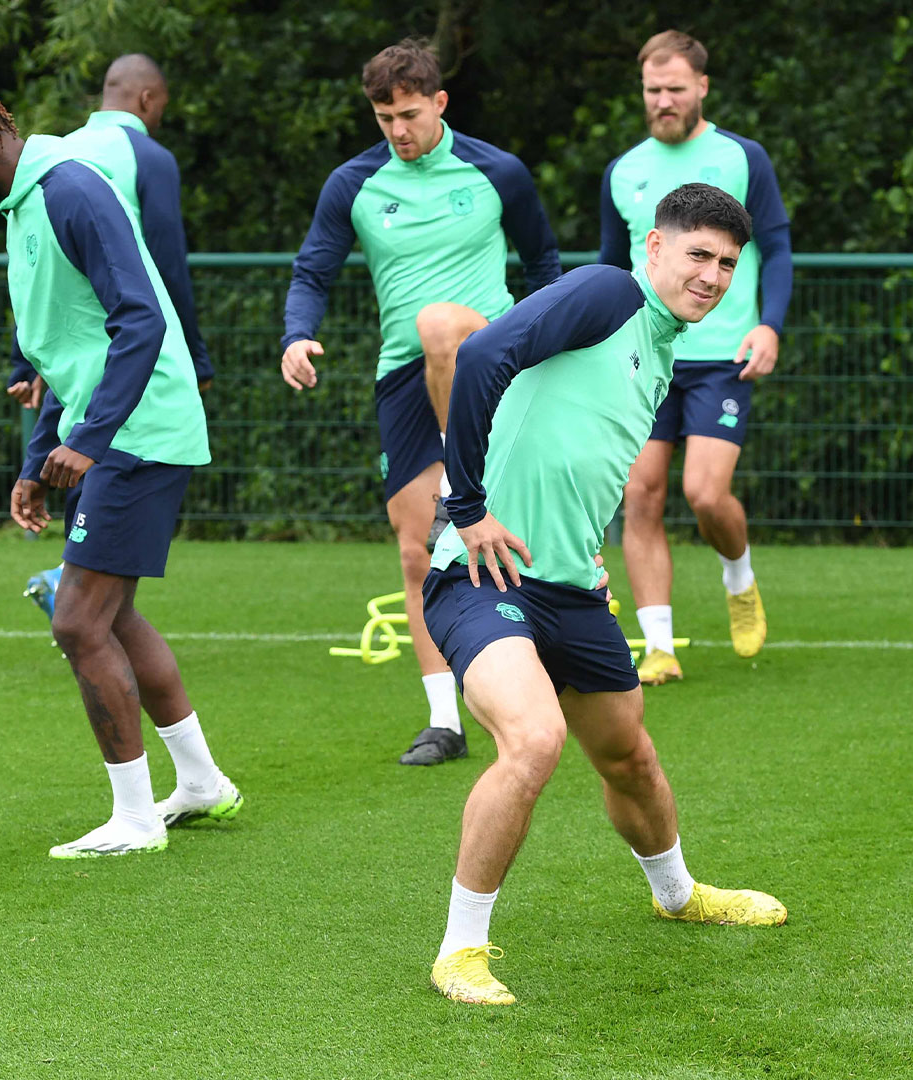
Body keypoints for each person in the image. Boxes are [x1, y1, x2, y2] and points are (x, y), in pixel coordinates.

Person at [423, 184, 786, 1007]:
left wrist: (583, 552)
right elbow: (482, 357)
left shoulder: (661, 349)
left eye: (728, 264)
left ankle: (677, 894)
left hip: (574, 590)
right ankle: (460, 950)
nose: (714, 276)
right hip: (486, 578)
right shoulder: (608, 291)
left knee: (631, 757)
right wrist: (469, 507)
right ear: (654, 248)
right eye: (698, 254)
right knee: (534, 740)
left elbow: (573, 448)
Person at [0, 76, 243, 858]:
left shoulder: (70, 189)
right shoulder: (24, 203)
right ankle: (201, 784)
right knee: (112, 618)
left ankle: (133, 820)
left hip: (140, 428)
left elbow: (140, 319)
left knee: (76, 619)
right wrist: (37, 458)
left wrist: (89, 439)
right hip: (112, 426)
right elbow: (64, 346)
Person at [279, 39, 561, 766]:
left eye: (408, 114)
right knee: (418, 553)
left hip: (494, 357)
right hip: (405, 378)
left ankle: (460, 483)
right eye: (383, 118)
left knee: (443, 326)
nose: (397, 131)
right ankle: (447, 723)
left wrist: (545, 353)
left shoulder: (498, 171)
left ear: (439, 103)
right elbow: (313, 269)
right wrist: (297, 336)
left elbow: (545, 267)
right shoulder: (354, 184)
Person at [601, 30, 792, 685]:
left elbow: (777, 247)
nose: (663, 101)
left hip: (721, 354)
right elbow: (609, 267)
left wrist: (769, 325)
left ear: (702, 87)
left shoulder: (743, 158)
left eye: (676, 89)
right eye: (653, 90)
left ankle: (738, 577)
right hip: (642, 354)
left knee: (706, 494)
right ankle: (659, 645)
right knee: (640, 495)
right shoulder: (624, 171)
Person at [13, 54, 215, 623]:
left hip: (70, 355)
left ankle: (78, 596)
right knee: (102, 482)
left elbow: (42, 272)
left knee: (87, 486)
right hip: (131, 363)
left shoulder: (55, 154)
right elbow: (164, 269)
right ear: (149, 101)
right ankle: (76, 596)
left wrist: (22, 364)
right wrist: (196, 355)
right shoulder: (147, 156)